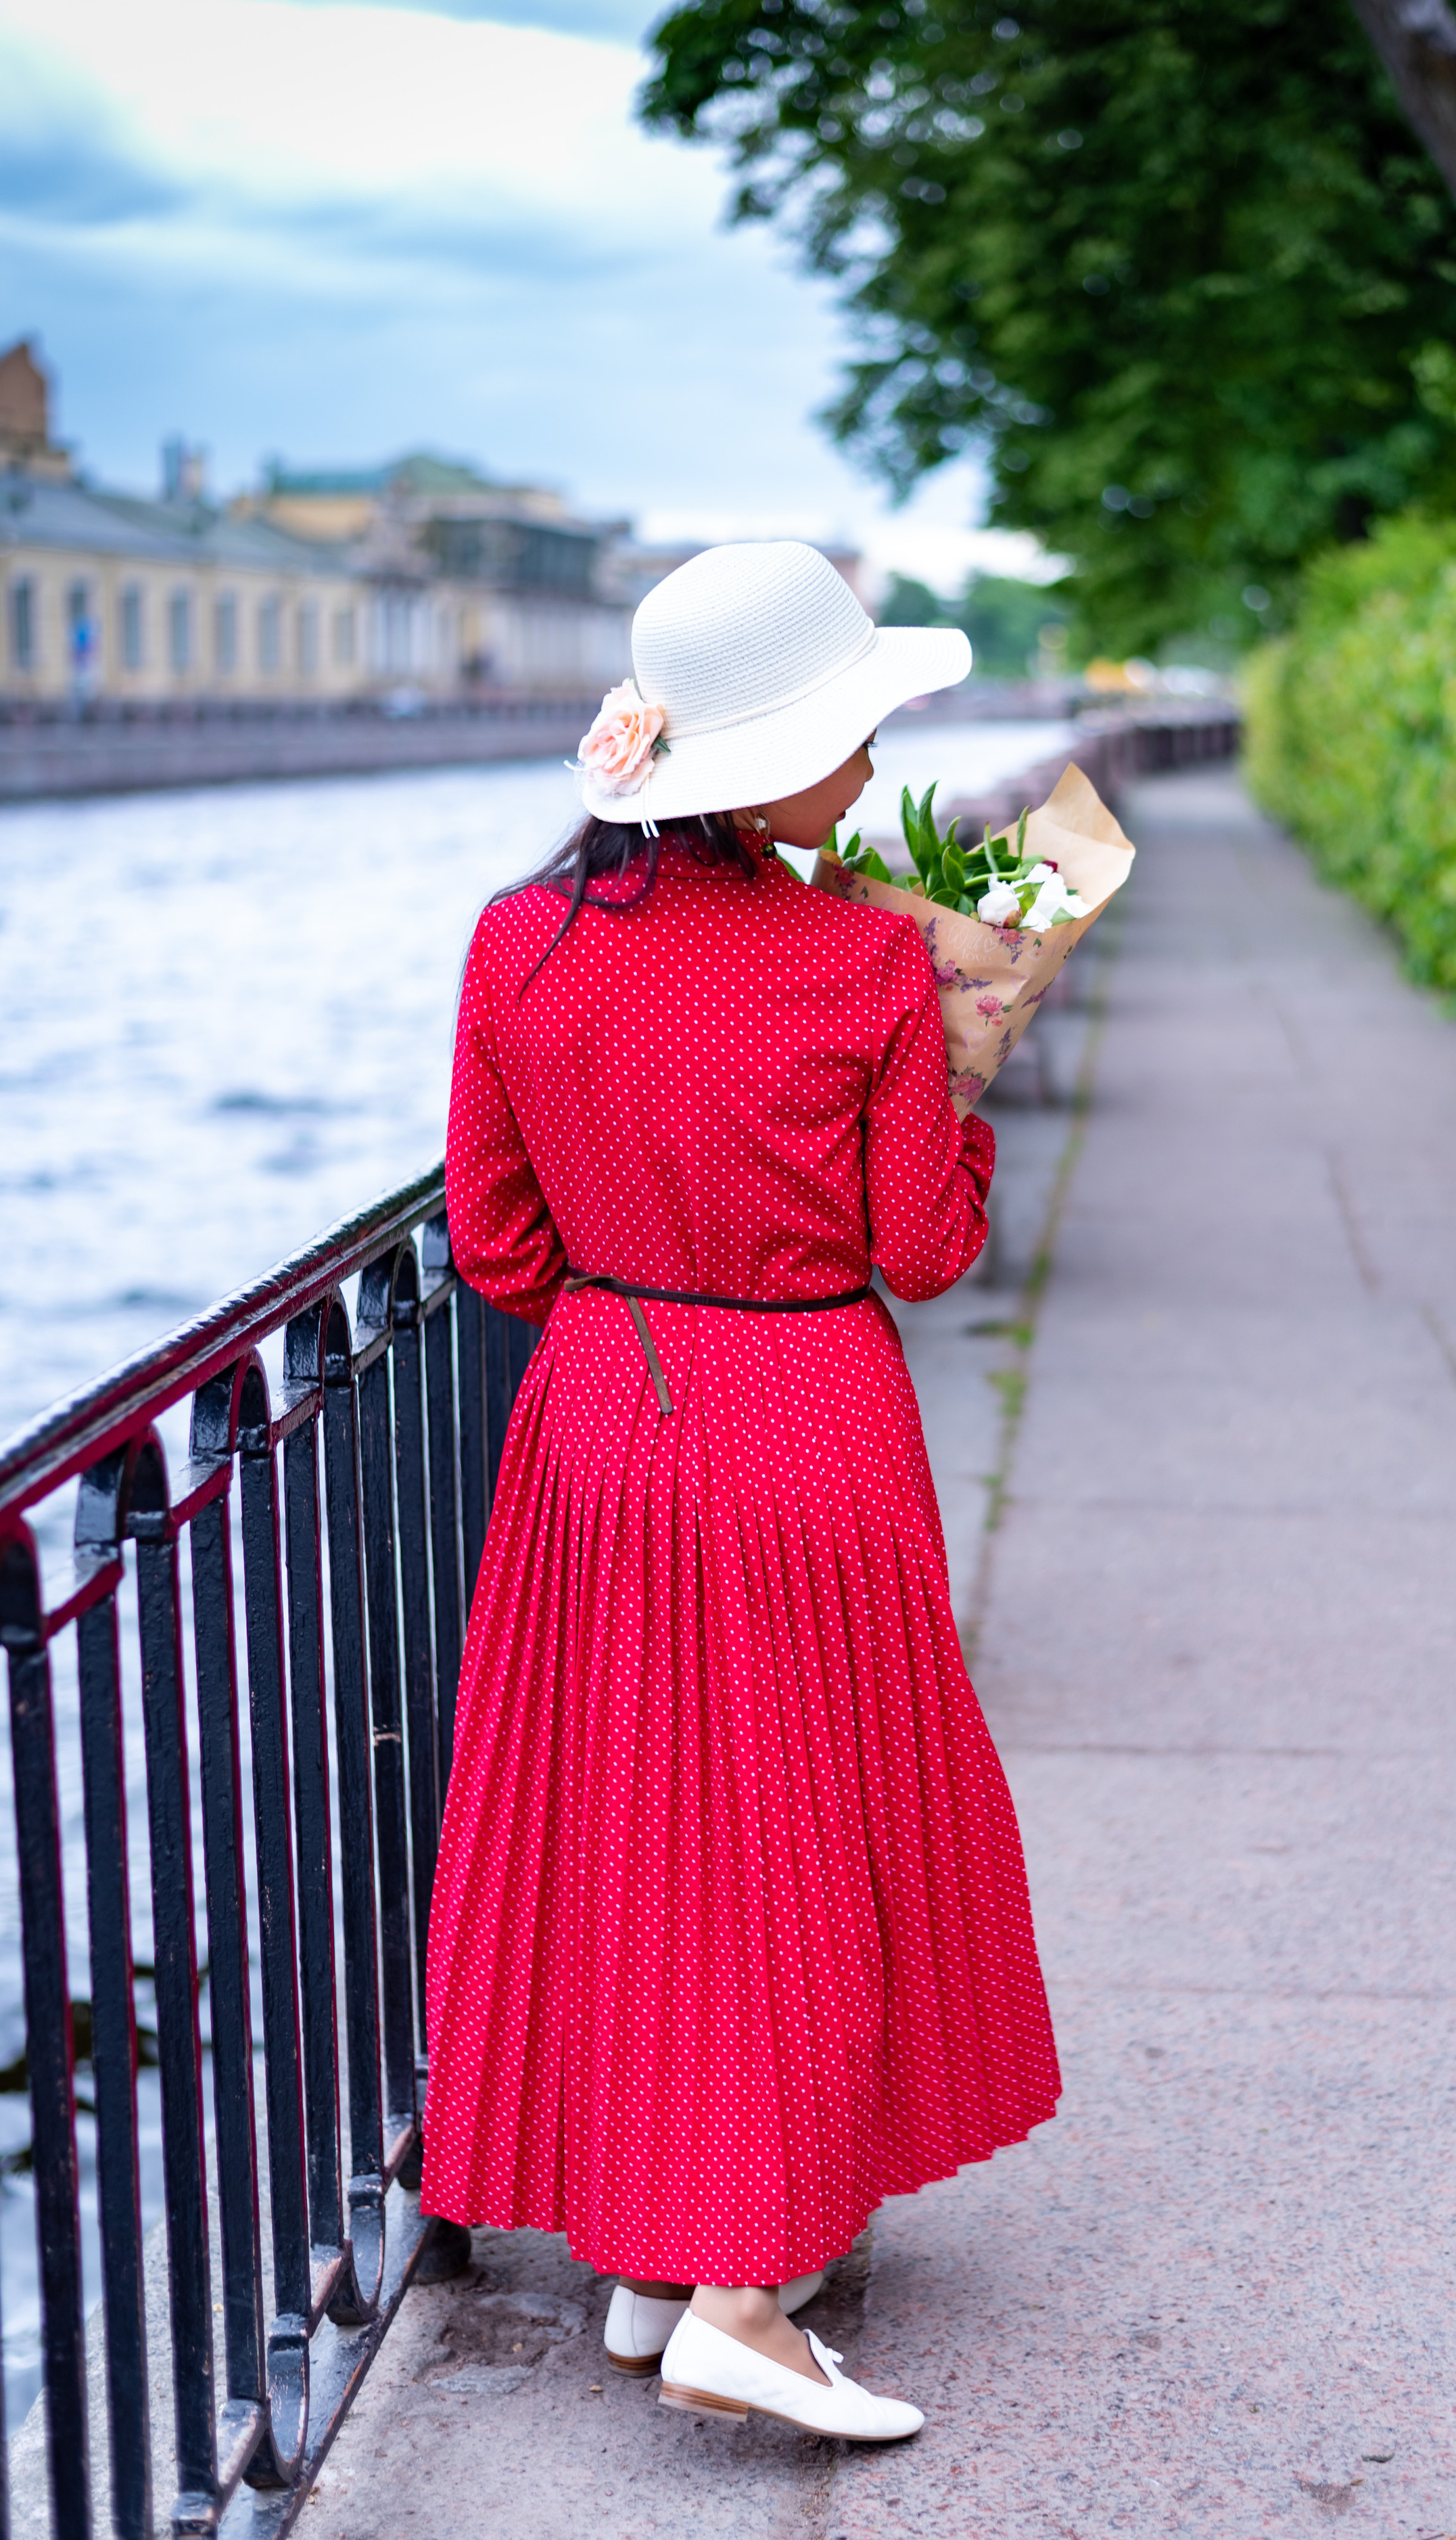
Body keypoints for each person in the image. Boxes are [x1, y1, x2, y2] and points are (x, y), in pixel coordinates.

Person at [419, 540, 1060, 2444]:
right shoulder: (862, 955)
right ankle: (739, 2298)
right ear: (756, 767)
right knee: (796, 1844)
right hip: (805, 1423)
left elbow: (497, 1245)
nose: (869, 771)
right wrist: (972, 1079)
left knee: (634, 1829)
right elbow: (923, 1245)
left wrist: (640, 1276)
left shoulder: (511, 945)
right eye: (850, 736)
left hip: (603, 1419)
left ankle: (645, 2254)